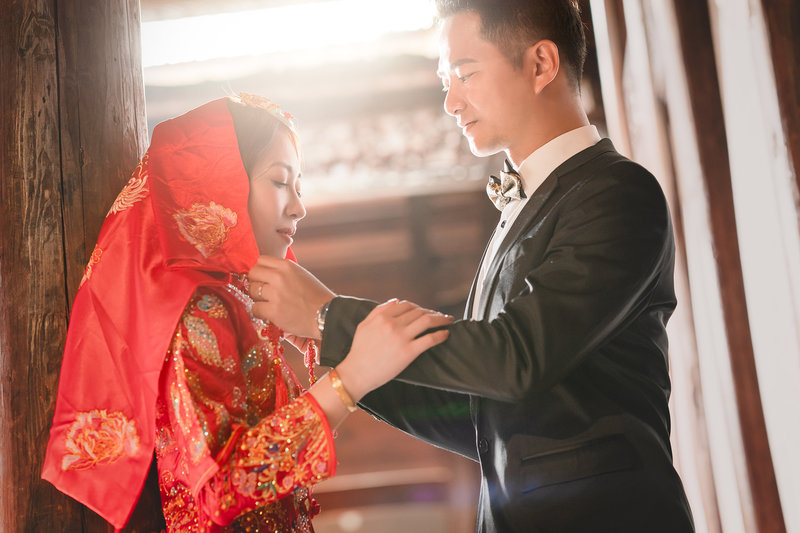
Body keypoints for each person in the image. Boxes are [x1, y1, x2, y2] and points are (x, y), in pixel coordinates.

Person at [245, 1, 696, 532]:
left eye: (465, 74)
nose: (451, 102)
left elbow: (516, 357)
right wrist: (350, 356)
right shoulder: (524, 207)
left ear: (541, 64)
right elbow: (485, 415)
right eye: (445, 82)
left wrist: (329, 314)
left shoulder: (617, 192)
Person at [41, 94, 451, 532]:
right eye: (280, 181)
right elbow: (223, 485)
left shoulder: (229, 302)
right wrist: (349, 380)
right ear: (218, 181)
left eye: (299, 187)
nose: (299, 207)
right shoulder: (200, 307)